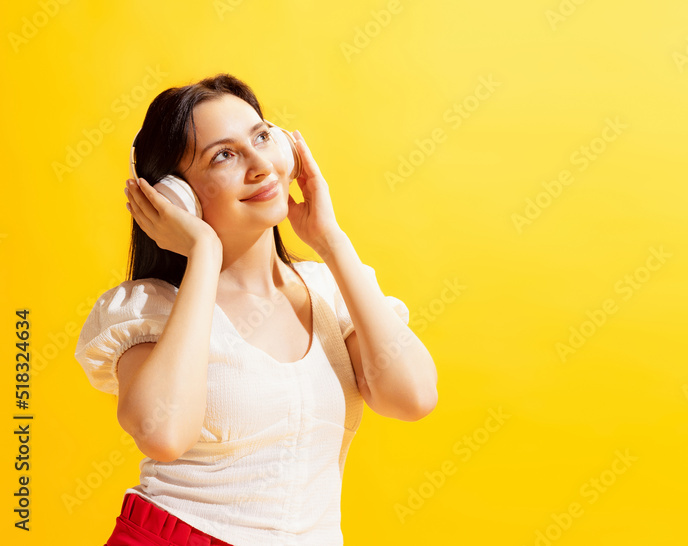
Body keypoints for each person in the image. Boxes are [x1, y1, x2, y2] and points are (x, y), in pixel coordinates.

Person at [74, 73, 438, 545]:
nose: (260, 165)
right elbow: (162, 433)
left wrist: (331, 241)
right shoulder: (150, 309)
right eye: (223, 155)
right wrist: (203, 251)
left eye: (262, 137)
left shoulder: (329, 291)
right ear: (174, 194)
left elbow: (412, 397)